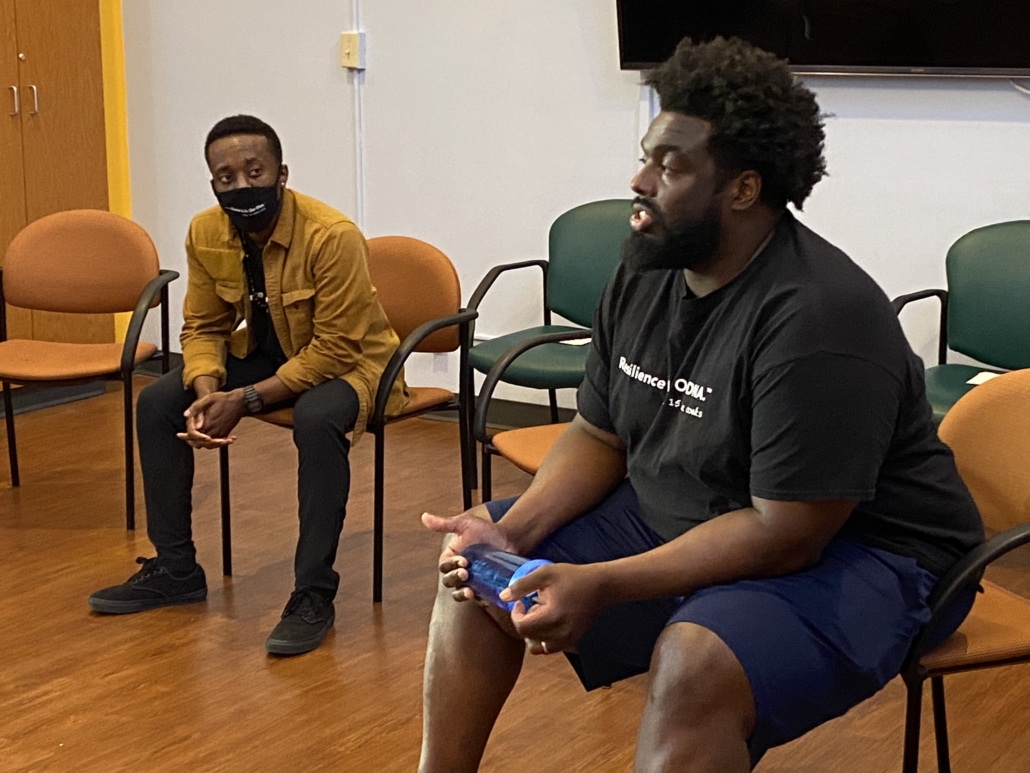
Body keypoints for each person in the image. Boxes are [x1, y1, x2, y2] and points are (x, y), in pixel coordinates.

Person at [418, 37, 984, 772]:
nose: (639, 179)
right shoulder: (648, 262)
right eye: (648, 154)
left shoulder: (819, 317)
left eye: (671, 165)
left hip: (872, 552)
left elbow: (787, 535)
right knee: (477, 562)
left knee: (695, 661)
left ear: (743, 189)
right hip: (706, 505)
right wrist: (515, 533)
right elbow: (598, 431)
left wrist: (599, 583)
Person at [88, 115, 408, 656]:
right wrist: (209, 388)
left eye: (254, 171)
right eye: (225, 177)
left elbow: (334, 348)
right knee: (159, 401)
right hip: (264, 351)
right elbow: (205, 326)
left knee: (317, 417)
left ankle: (312, 594)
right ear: (213, 183)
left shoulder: (332, 237)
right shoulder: (205, 231)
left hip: (352, 364)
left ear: (281, 173)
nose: (241, 186)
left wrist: (246, 399)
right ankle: (175, 569)